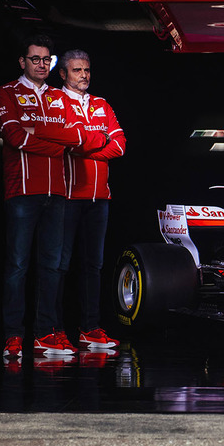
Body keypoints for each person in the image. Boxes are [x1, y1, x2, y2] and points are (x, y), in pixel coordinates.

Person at [0, 35, 106, 359]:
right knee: (17, 266)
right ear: (22, 62)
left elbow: (84, 138)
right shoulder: (6, 92)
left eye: (47, 60)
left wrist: (39, 132)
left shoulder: (60, 97)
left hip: (58, 193)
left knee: (51, 267)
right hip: (22, 191)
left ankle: (45, 334)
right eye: (35, 59)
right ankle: (13, 336)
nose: (41, 64)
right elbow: (14, 137)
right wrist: (60, 143)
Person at [56, 49, 125, 349]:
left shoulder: (101, 104)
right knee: (58, 266)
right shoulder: (54, 102)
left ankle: (90, 329)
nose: (83, 75)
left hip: (100, 198)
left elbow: (120, 145)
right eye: (76, 70)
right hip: (66, 197)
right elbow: (64, 144)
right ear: (64, 74)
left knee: (93, 266)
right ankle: (53, 330)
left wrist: (89, 149)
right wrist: (92, 144)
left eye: (86, 70)